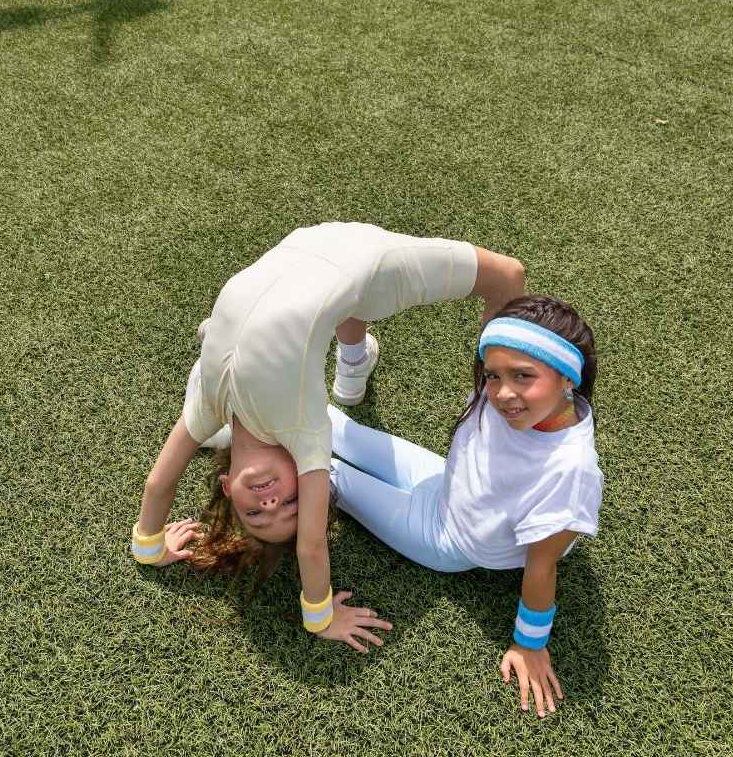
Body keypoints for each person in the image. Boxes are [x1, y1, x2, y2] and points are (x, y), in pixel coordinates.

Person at [130, 221, 526, 653]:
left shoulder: (206, 407)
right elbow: (312, 545)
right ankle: (362, 367)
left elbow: (158, 483)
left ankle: (356, 361)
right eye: (291, 502)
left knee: (340, 303)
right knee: (508, 277)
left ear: (227, 487)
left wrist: (150, 547)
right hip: (365, 261)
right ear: (305, 477)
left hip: (307, 244)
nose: (270, 501)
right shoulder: (306, 436)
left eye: (258, 514)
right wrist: (320, 616)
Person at [320, 294, 603, 718]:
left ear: (568, 378)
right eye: (493, 375)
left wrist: (530, 645)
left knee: (329, 480)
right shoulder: (519, 400)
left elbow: (542, 565)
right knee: (343, 431)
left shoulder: (570, 471)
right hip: (442, 485)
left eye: (523, 376)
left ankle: (238, 438)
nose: (503, 393)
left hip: (449, 539)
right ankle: (248, 396)